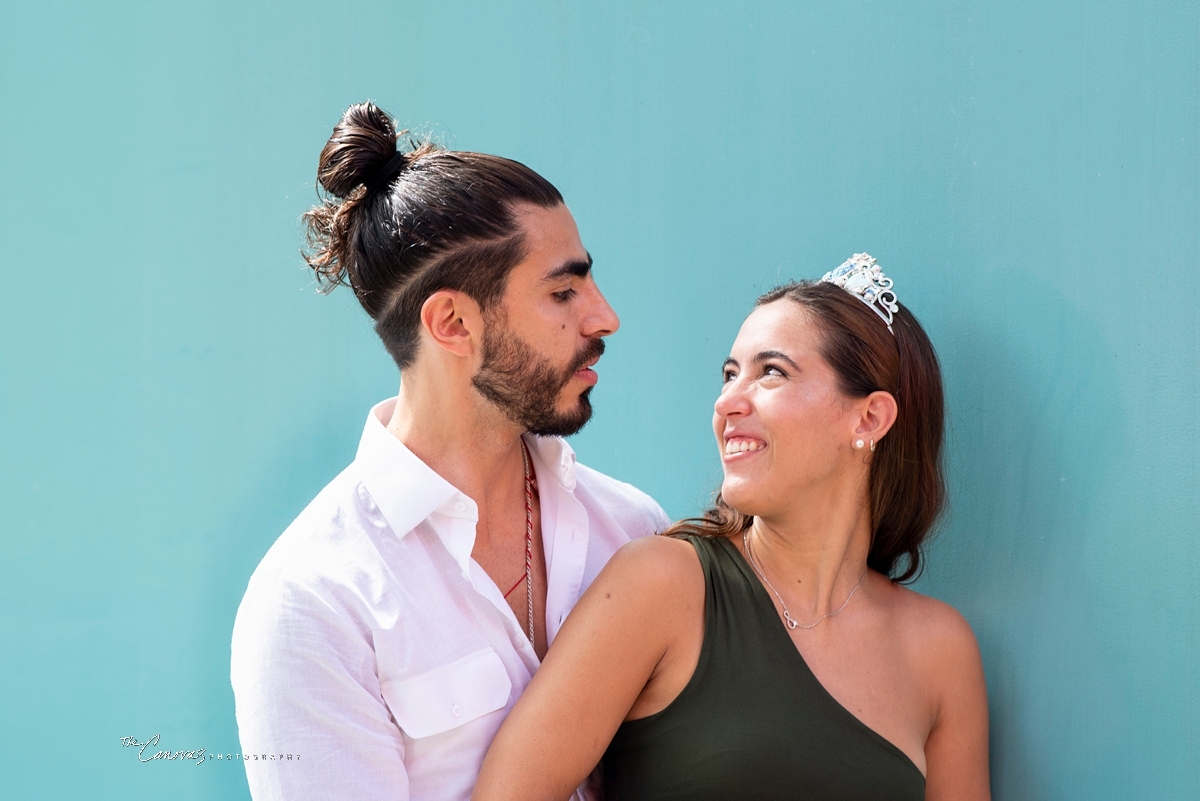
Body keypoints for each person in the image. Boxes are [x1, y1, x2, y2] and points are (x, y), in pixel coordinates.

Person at [230, 102, 669, 801]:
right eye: (564, 290)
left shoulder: (636, 530)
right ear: (453, 323)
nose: (604, 316)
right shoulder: (314, 600)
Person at [474, 254, 991, 800]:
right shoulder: (662, 583)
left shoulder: (940, 651)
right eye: (728, 375)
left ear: (868, 419)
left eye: (771, 372)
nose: (727, 402)